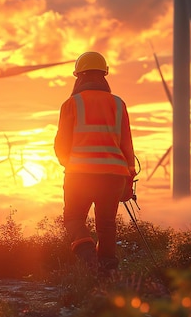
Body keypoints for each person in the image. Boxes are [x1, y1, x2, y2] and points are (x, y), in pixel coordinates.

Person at [54, 51, 135, 275]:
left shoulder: (71, 104)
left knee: (73, 218)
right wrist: (128, 178)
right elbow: (127, 143)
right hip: (114, 175)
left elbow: (62, 143)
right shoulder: (119, 104)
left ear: (79, 76)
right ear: (104, 76)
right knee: (107, 224)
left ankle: (89, 256)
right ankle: (107, 271)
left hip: (80, 174)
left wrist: (67, 163)